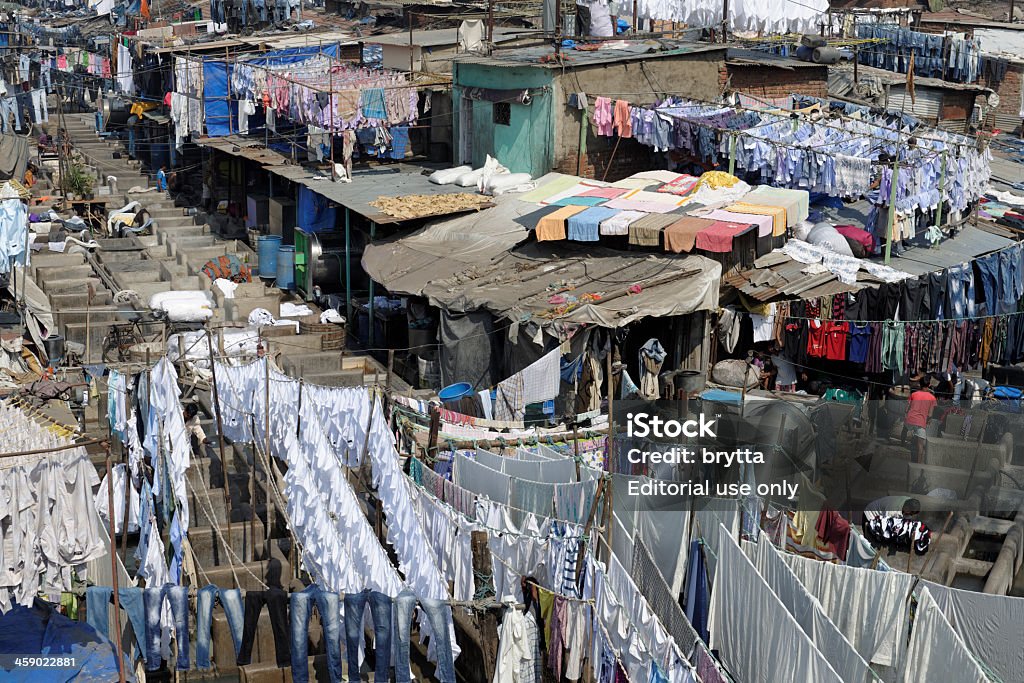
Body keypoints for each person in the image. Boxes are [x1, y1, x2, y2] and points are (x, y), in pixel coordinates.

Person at [905, 378, 936, 463]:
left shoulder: (913, 394)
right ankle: (918, 464)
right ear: (929, 385)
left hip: (909, 420)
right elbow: (930, 415)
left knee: (906, 429)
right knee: (921, 446)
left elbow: (906, 409)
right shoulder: (932, 398)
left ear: (919, 384)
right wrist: (929, 420)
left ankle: (902, 442)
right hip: (920, 423)